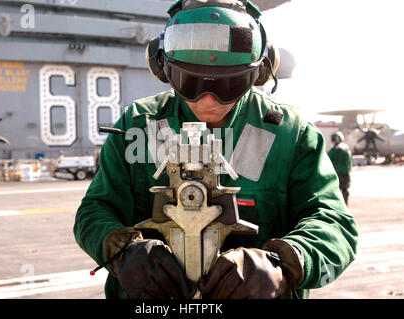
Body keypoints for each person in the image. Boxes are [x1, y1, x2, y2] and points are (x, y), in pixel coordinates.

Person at [74, 0, 358, 299]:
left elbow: (334, 222)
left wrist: (284, 263)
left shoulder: (289, 133)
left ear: (258, 73)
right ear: (163, 68)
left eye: (230, 85)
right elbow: (95, 211)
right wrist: (122, 251)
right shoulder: (138, 125)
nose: (208, 101)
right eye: (190, 82)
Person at [328, 131, 352, 205]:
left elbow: (327, 160)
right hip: (346, 173)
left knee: (335, 191)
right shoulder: (347, 148)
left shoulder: (334, 150)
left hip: (337, 174)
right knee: (345, 190)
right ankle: (346, 206)